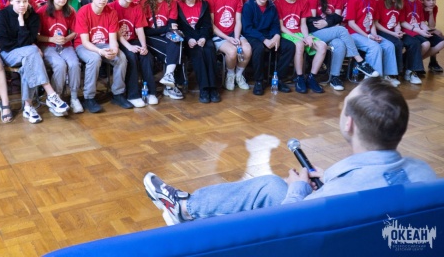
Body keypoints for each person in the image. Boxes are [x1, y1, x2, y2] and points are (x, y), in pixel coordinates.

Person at [143, 77, 438, 226]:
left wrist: (298, 191)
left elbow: (290, 227)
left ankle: (185, 209)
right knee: (271, 185)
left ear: (348, 124)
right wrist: (330, 178)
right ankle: (186, 207)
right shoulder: (425, 174)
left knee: (276, 186)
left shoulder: (334, 196)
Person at [0, 0, 69, 122]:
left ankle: (28, 107)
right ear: (11, 1)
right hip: (8, 54)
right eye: (18, 1)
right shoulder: (2, 15)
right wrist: (24, 35)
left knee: (27, 64)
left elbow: (30, 40)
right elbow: (5, 44)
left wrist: (22, 23)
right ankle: (51, 94)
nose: (22, 5)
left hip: (27, 54)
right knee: (33, 51)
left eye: (25, 1)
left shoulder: (33, 16)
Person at [306, 0, 378, 91]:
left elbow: (338, 17)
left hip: (330, 31)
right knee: (341, 30)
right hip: (314, 32)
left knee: (340, 44)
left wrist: (326, 21)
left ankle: (335, 77)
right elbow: (313, 21)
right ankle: (360, 61)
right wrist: (330, 21)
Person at [74, 0, 132, 113]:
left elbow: (113, 39)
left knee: (121, 58)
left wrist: (114, 50)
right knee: (94, 59)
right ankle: (89, 97)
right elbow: (85, 42)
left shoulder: (111, 12)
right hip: (84, 46)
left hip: (104, 44)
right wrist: (100, 51)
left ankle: (118, 94)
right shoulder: (83, 11)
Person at [36, 0, 83, 114]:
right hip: (47, 45)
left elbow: (75, 31)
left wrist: (66, 38)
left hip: (65, 44)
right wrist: (51, 39)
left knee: (74, 64)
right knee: (60, 65)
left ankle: (74, 97)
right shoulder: (42, 12)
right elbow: (36, 36)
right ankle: (56, 98)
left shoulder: (70, 11)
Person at [242, 0, 296, 96]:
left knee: (289, 46)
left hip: (269, 35)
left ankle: (279, 79)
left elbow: (275, 25)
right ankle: (259, 81)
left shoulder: (271, 6)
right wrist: (263, 39)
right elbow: (247, 28)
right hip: (253, 36)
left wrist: (276, 36)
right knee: (259, 48)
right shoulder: (248, 6)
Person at [109, 0, 157, 107]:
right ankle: (133, 95)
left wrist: (144, 46)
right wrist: (129, 47)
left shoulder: (136, 7)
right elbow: (115, 31)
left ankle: (151, 92)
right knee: (131, 57)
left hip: (132, 39)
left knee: (146, 56)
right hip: (117, 41)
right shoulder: (111, 7)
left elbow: (139, 29)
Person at [345, 0, 399, 85]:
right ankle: (372, 80)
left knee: (389, 46)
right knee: (375, 47)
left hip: (368, 33)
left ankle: (387, 76)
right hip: (354, 34)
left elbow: (373, 22)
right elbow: (351, 23)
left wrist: (374, 35)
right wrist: (368, 36)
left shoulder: (373, 1)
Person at [275, 0, 326, 93]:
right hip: (287, 33)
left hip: (300, 32)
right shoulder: (278, 2)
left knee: (322, 46)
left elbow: (303, 24)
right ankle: (299, 77)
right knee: (299, 44)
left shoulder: (303, 1)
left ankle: (312, 77)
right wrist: (298, 38)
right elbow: (281, 27)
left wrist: (307, 37)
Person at [141, 0, 185, 100]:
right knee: (175, 51)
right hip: (148, 37)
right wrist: (165, 29)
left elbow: (172, 25)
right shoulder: (145, 2)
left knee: (178, 39)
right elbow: (145, 30)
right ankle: (170, 85)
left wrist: (166, 29)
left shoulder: (172, 2)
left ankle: (168, 77)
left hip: (165, 36)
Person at [206, 0, 251, 91]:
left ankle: (239, 75)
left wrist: (236, 38)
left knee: (247, 49)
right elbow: (212, 25)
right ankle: (230, 75)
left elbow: (238, 21)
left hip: (233, 33)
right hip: (218, 35)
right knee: (232, 51)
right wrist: (228, 38)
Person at [176, 0, 220, 103]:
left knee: (209, 50)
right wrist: (188, 39)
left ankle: (213, 88)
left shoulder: (204, 4)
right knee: (198, 53)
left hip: (203, 36)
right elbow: (180, 27)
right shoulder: (178, 6)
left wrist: (203, 37)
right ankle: (204, 88)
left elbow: (207, 25)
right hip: (188, 39)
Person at [375, 0, 425, 85]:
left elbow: (398, 21)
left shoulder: (400, 2)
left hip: (394, 31)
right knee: (397, 44)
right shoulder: (380, 1)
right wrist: (393, 33)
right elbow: (376, 24)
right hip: (382, 31)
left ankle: (410, 72)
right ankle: (391, 74)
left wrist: (398, 31)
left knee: (415, 43)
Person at [401, 0, 444, 72]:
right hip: (407, 30)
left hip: (418, 30)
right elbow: (402, 22)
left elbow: (421, 21)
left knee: (441, 41)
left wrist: (427, 29)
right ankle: (410, 66)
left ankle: (410, 63)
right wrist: (420, 31)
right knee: (426, 44)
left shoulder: (418, 3)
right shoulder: (402, 1)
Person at [421, 0, 443, 72]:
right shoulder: (419, 6)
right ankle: (416, 61)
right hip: (417, 29)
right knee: (436, 34)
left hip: (426, 28)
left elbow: (432, 26)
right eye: (428, 0)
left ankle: (433, 61)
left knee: (439, 35)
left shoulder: (434, 7)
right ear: (422, 1)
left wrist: (430, 13)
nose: (432, 2)